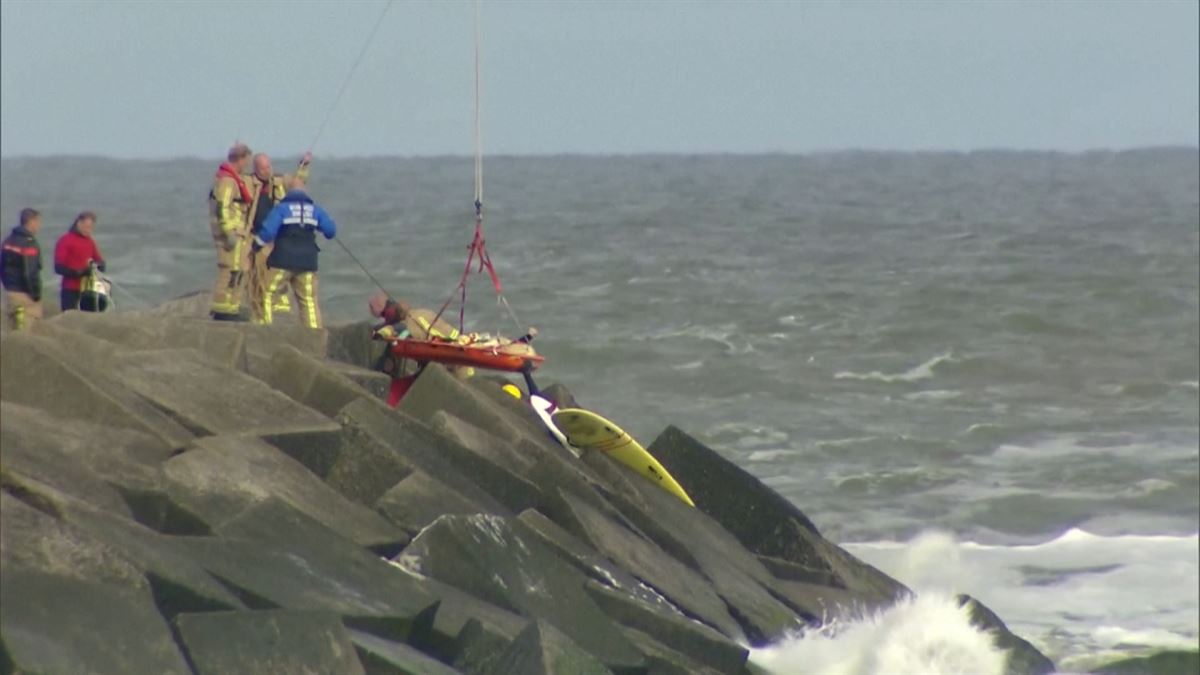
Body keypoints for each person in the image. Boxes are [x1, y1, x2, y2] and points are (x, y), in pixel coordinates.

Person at [253, 176, 336, 328]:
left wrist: (256, 245)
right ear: (305, 191)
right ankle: (314, 335)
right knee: (308, 301)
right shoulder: (315, 210)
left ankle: (262, 329)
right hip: (307, 262)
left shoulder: (282, 209)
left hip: (282, 261)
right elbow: (330, 231)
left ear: (287, 191)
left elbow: (268, 232)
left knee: (266, 294)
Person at [245, 151, 312, 322]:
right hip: (256, 236)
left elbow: (298, 182)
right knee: (257, 281)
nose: (268, 171)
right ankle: (261, 318)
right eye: (263, 168)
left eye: (269, 166)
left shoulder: (279, 181)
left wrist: (303, 166)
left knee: (275, 279)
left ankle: (278, 308)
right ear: (256, 169)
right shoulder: (247, 183)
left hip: (275, 240)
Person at [208, 143, 253, 321]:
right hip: (231, 234)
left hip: (238, 232)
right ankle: (222, 308)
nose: (247, 164)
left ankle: (232, 306)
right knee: (229, 270)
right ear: (240, 159)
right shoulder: (227, 181)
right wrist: (228, 233)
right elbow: (222, 208)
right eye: (246, 160)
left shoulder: (234, 179)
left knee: (239, 269)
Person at [0, 208, 44, 330]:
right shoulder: (29, 243)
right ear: (31, 221)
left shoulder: (8, 241)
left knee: (11, 327)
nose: (39, 226)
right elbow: (29, 272)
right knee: (29, 329)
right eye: (38, 222)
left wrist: (7, 285)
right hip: (25, 295)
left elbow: (2, 266)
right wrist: (35, 294)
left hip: (10, 291)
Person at [54, 211, 106, 312]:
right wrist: (78, 272)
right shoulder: (65, 240)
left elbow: (99, 260)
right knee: (69, 319)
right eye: (87, 226)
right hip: (70, 289)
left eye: (91, 227)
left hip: (88, 289)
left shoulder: (90, 241)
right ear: (79, 223)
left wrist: (100, 266)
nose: (89, 230)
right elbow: (58, 267)